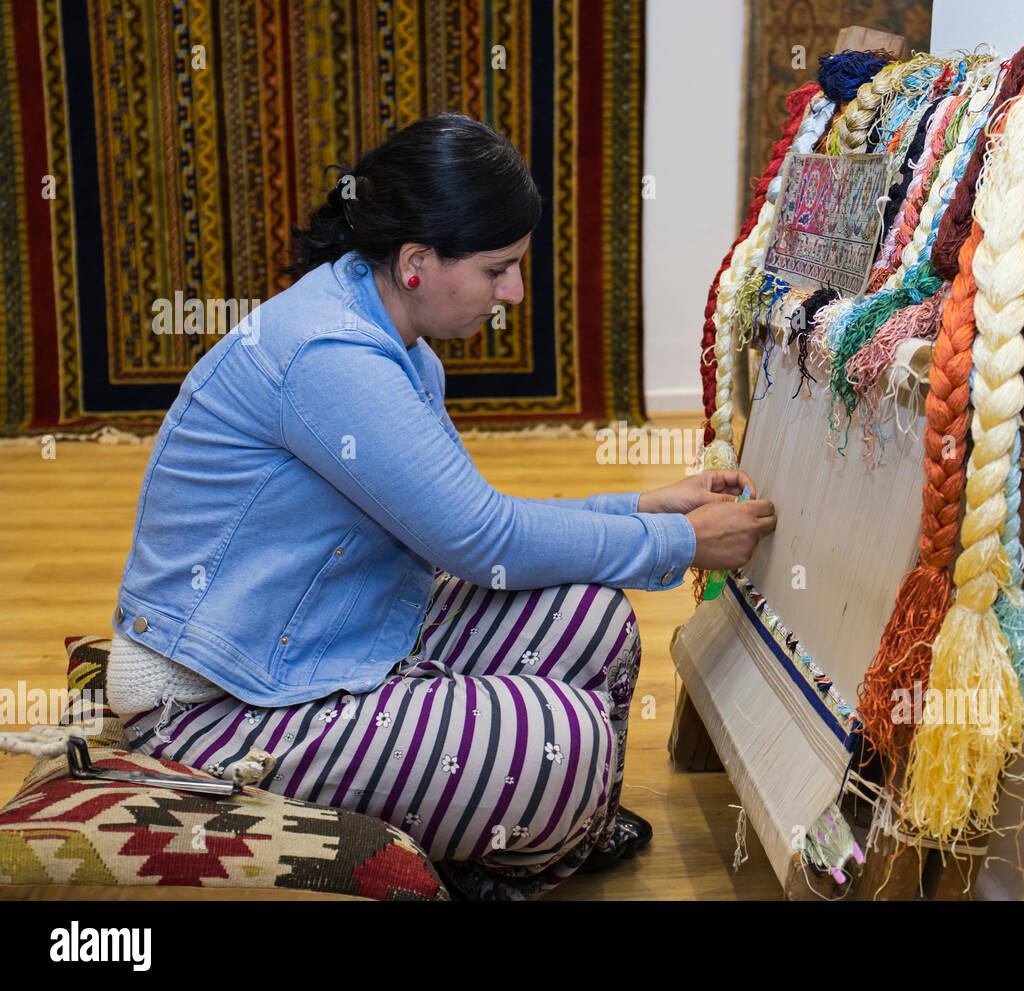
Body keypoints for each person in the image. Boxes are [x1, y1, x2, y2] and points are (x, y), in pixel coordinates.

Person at [105, 112, 777, 899]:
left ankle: (510, 837)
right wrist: (676, 541)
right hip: (218, 702)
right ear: (417, 261)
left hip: (321, 635)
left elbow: (470, 519)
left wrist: (644, 502)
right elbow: (482, 536)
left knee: (590, 619)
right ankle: (500, 851)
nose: (515, 293)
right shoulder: (333, 355)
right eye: (499, 270)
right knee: (567, 745)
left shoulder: (386, 333)